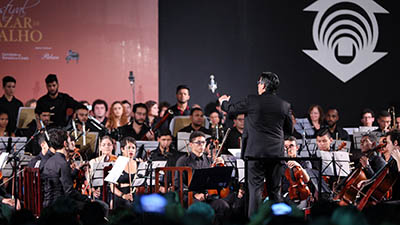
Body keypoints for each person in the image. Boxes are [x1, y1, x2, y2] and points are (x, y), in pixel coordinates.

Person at [218, 72, 293, 217]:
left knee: (255, 191)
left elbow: (231, 109)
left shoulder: (252, 101)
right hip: (276, 154)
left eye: (258, 83)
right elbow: (288, 130)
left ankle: (255, 221)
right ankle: (278, 221)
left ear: (263, 85)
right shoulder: (284, 105)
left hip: (255, 154)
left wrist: (223, 102)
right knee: (274, 191)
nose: (258, 86)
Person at [175, 131, 230, 223]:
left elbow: (214, 181)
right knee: (201, 209)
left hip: (207, 196)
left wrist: (221, 166)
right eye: (198, 142)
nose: (202, 145)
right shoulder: (183, 161)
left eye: (204, 142)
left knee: (223, 206)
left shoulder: (209, 160)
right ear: (191, 145)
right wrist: (194, 194)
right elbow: (178, 183)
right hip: (189, 197)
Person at [42, 129, 90, 208]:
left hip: (48, 203)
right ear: (65, 144)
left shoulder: (49, 161)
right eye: (69, 140)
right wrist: (87, 199)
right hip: (60, 205)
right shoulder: (63, 163)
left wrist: (76, 169)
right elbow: (69, 191)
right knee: (98, 206)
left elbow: (61, 180)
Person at [281, 136, 311, 208]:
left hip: (301, 195)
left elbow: (307, 180)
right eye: (286, 147)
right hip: (284, 195)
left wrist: (299, 166)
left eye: (291, 146)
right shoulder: (281, 163)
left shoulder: (305, 162)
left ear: (297, 147)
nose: (289, 149)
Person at [110, 137, 137, 209]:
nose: (131, 150)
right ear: (122, 149)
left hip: (133, 193)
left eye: (133, 148)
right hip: (121, 194)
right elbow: (112, 186)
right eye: (128, 147)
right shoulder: (119, 163)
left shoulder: (138, 163)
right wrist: (123, 195)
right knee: (129, 205)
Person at [88, 135, 117, 200]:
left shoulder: (117, 161)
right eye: (103, 145)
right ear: (100, 147)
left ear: (112, 147)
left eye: (109, 144)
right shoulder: (94, 161)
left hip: (114, 192)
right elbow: (88, 180)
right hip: (100, 192)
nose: (106, 147)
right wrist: (93, 191)